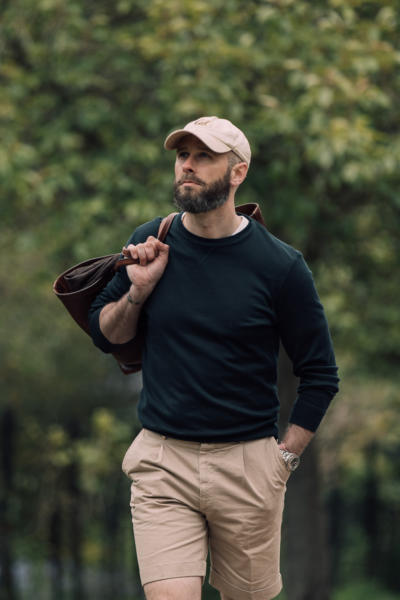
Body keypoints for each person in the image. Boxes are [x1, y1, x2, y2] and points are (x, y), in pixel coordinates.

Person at [89, 116, 339, 600]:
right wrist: (138, 292)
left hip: (249, 467)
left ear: (237, 172)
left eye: (204, 157)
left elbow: (321, 375)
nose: (188, 166)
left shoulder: (280, 266)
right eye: (183, 156)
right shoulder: (151, 239)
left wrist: (282, 460)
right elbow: (106, 334)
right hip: (164, 463)